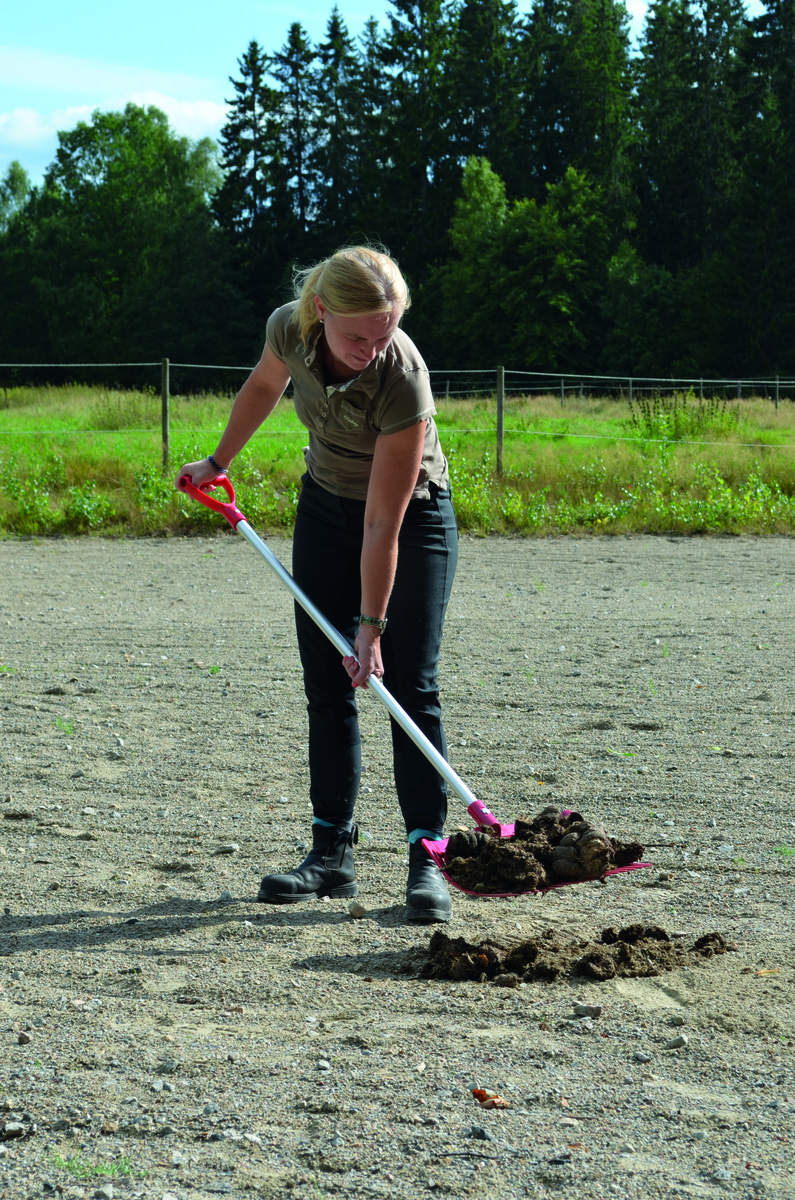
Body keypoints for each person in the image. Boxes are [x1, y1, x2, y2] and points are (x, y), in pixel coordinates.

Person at [177, 246, 458, 923]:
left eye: (385, 331)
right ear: (320, 311)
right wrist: (218, 460)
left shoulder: (402, 377)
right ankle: (331, 854)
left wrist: (371, 627)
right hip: (327, 510)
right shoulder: (288, 327)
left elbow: (383, 523)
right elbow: (262, 388)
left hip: (407, 522)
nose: (371, 347)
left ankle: (428, 858)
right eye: (357, 334)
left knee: (404, 686)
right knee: (326, 686)